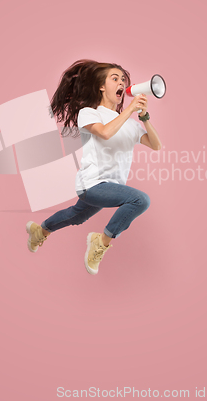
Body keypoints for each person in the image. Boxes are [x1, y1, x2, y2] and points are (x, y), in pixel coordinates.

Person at [26, 59, 162, 275]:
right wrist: (129, 110)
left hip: (112, 187)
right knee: (140, 200)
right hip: (92, 184)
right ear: (101, 86)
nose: (121, 82)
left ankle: (39, 231)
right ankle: (101, 241)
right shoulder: (89, 113)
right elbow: (105, 132)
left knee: (76, 216)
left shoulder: (130, 124)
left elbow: (156, 145)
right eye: (114, 78)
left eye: (123, 79)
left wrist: (143, 117)